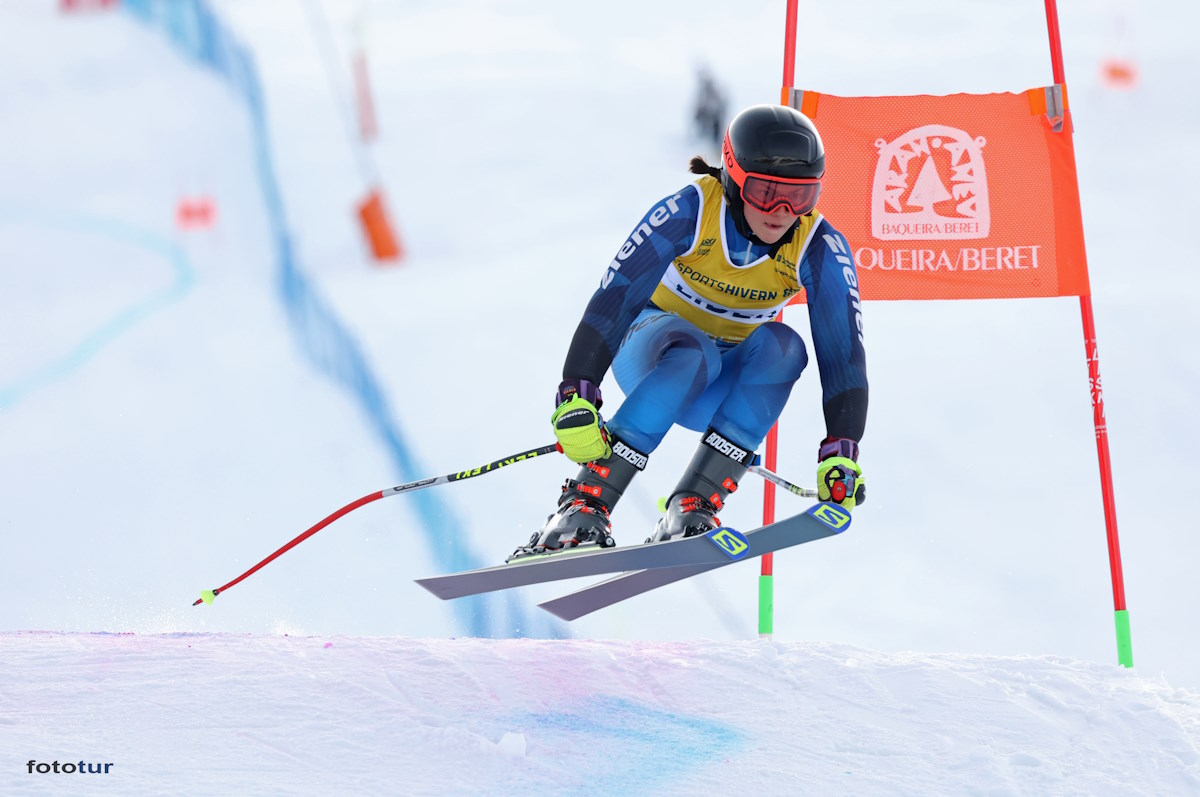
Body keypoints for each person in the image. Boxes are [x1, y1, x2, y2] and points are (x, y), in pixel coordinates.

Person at [510, 104, 868, 561]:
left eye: (801, 197)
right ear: (733, 178)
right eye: (765, 192)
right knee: (694, 353)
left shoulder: (818, 247)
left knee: (785, 346)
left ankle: (691, 504)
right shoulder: (691, 211)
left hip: (723, 388)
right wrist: (577, 392)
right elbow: (615, 299)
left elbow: (844, 355)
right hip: (655, 355)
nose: (782, 212)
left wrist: (842, 448)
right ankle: (584, 503)